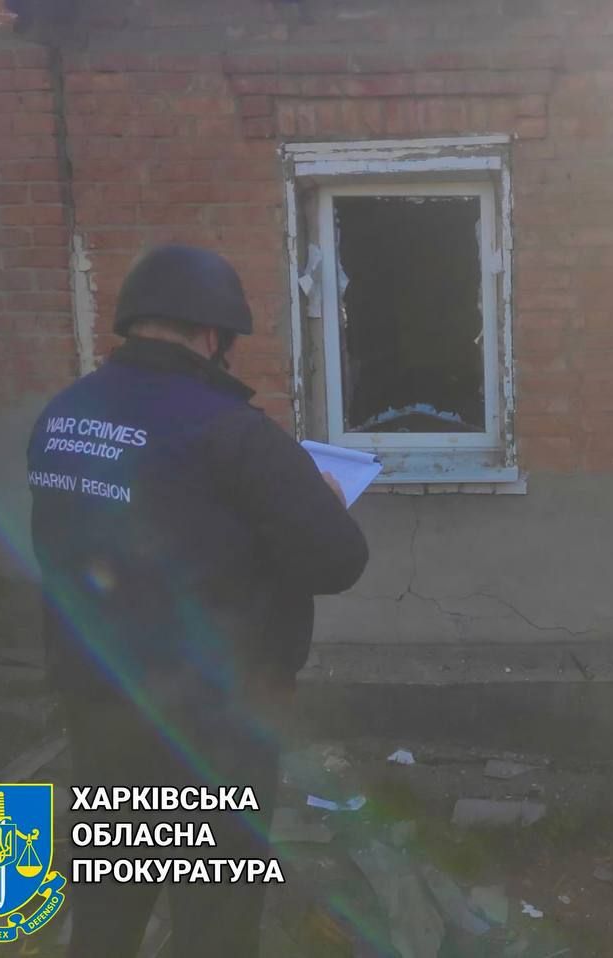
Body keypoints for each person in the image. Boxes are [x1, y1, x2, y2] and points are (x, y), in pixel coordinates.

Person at [27, 245, 369, 957]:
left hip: (100, 702)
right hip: (211, 724)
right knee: (215, 912)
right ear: (214, 336)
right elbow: (336, 558)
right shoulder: (233, 432)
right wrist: (326, 500)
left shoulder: (64, 415)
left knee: (110, 897)